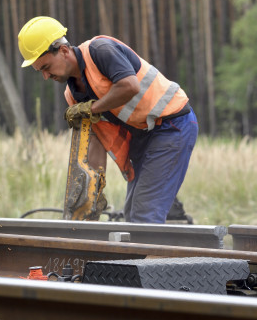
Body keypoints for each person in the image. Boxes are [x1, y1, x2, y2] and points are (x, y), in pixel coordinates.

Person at [17, 16, 198, 223]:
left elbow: (129, 86)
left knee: (144, 215)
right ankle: (171, 238)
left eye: (46, 67)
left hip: (171, 125)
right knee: (133, 215)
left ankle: (161, 250)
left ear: (64, 51)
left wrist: (91, 108)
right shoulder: (73, 96)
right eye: (40, 71)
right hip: (144, 136)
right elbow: (96, 139)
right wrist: (92, 191)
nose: (46, 77)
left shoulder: (100, 50)